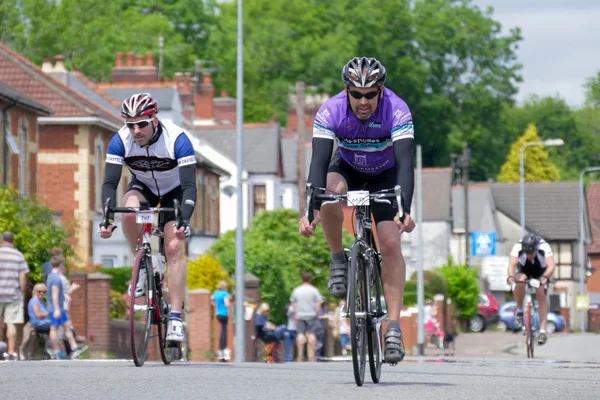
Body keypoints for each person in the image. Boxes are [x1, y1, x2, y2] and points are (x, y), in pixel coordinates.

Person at [299, 57, 416, 364]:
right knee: (328, 196)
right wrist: (310, 209)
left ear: (381, 91)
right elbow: (319, 163)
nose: (363, 101)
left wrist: (405, 210)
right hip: (348, 168)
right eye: (356, 94)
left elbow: (406, 164)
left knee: (391, 243)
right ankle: (338, 258)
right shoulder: (331, 110)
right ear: (346, 91)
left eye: (370, 95)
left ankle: (392, 327)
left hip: (386, 174)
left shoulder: (398, 110)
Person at [99, 93, 197, 343]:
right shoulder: (120, 140)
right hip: (144, 187)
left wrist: (184, 219)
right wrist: (107, 217)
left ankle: (175, 317)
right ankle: (143, 265)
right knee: (129, 211)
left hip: (175, 191)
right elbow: (110, 183)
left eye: (141, 123)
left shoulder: (177, 139)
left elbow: (189, 187)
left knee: (174, 245)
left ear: (154, 119)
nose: (135, 130)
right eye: (130, 124)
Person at [507, 233, 556, 345]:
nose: (530, 256)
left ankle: (543, 331)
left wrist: (545, 277)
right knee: (519, 280)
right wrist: (510, 276)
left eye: (532, 253)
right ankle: (519, 310)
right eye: (527, 253)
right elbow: (512, 265)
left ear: (536, 248)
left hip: (541, 271)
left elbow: (551, 265)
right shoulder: (517, 247)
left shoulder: (544, 247)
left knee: (540, 292)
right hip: (524, 269)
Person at [46, 255, 88, 359]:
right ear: (60, 264)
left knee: (67, 327)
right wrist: (56, 309)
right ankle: (55, 351)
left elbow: (56, 293)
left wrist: (65, 296)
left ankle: (74, 348)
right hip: (56, 308)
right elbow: (54, 294)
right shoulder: (56, 278)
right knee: (54, 329)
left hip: (60, 307)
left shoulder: (50, 276)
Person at [0, 232, 28, 361]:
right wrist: (21, 292)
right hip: (13, 294)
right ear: (13, 240)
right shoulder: (18, 255)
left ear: (2, 240)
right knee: (11, 323)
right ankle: (11, 352)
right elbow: (22, 276)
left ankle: (1, 351)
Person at [290, 272, 323, 362]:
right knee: (312, 334)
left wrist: (296, 313)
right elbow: (318, 302)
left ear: (302, 279)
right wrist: (317, 313)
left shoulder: (297, 290)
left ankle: (300, 355)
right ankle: (311, 356)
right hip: (311, 315)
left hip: (300, 315)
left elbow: (293, 303)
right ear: (310, 279)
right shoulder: (314, 290)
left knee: (300, 334)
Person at [211, 280, 231, 361]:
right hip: (224, 313)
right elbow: (227, 304)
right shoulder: (224, 294)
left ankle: (221, 347)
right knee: (224, 330)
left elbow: (211, 299)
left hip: (218, 313)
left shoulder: (216, 293)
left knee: (222, 329)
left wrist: (215, 304)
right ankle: (222, 347)